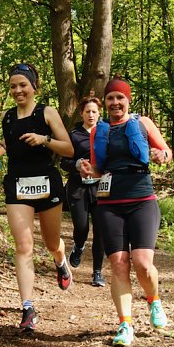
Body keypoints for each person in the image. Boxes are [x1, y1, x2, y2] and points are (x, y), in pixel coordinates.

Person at [0, 63, 75, 334]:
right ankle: (27, 308)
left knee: (51, 242)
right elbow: (8, 143)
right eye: (13, 86)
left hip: (47, 182)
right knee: (23, 246)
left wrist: (44, 139)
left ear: (34, 86)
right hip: (18, 185)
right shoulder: (9, 117)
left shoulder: (47, 112)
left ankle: (60, 260)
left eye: (23, 84)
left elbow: (68, 148)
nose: (18, 90)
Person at [78, 77, 173, 347]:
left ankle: (154, 301)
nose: (115, 103)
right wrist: (89, 171)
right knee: (118, 264)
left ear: (128, 100)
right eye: (111, 98)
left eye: (120, 98)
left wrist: (161, 156)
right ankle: (125, 324)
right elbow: (97, 169)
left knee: (143, 263)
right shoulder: (100, 130)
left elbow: (167, 151)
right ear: (105, 103)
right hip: (109, 203)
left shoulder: (142, 123)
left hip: (142, 199)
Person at [60, 94, 106, 287]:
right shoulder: (74, 134)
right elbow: (63, 162)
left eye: (94, 111)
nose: (91, 115)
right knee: (81, 227)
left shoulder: (106, 132)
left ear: (99, 113)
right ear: (81, 113)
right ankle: (78, 246)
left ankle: (97, 272)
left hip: (101, 188)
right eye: (87, 111)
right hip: (78, 188)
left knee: (101, 230)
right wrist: (77, 164)